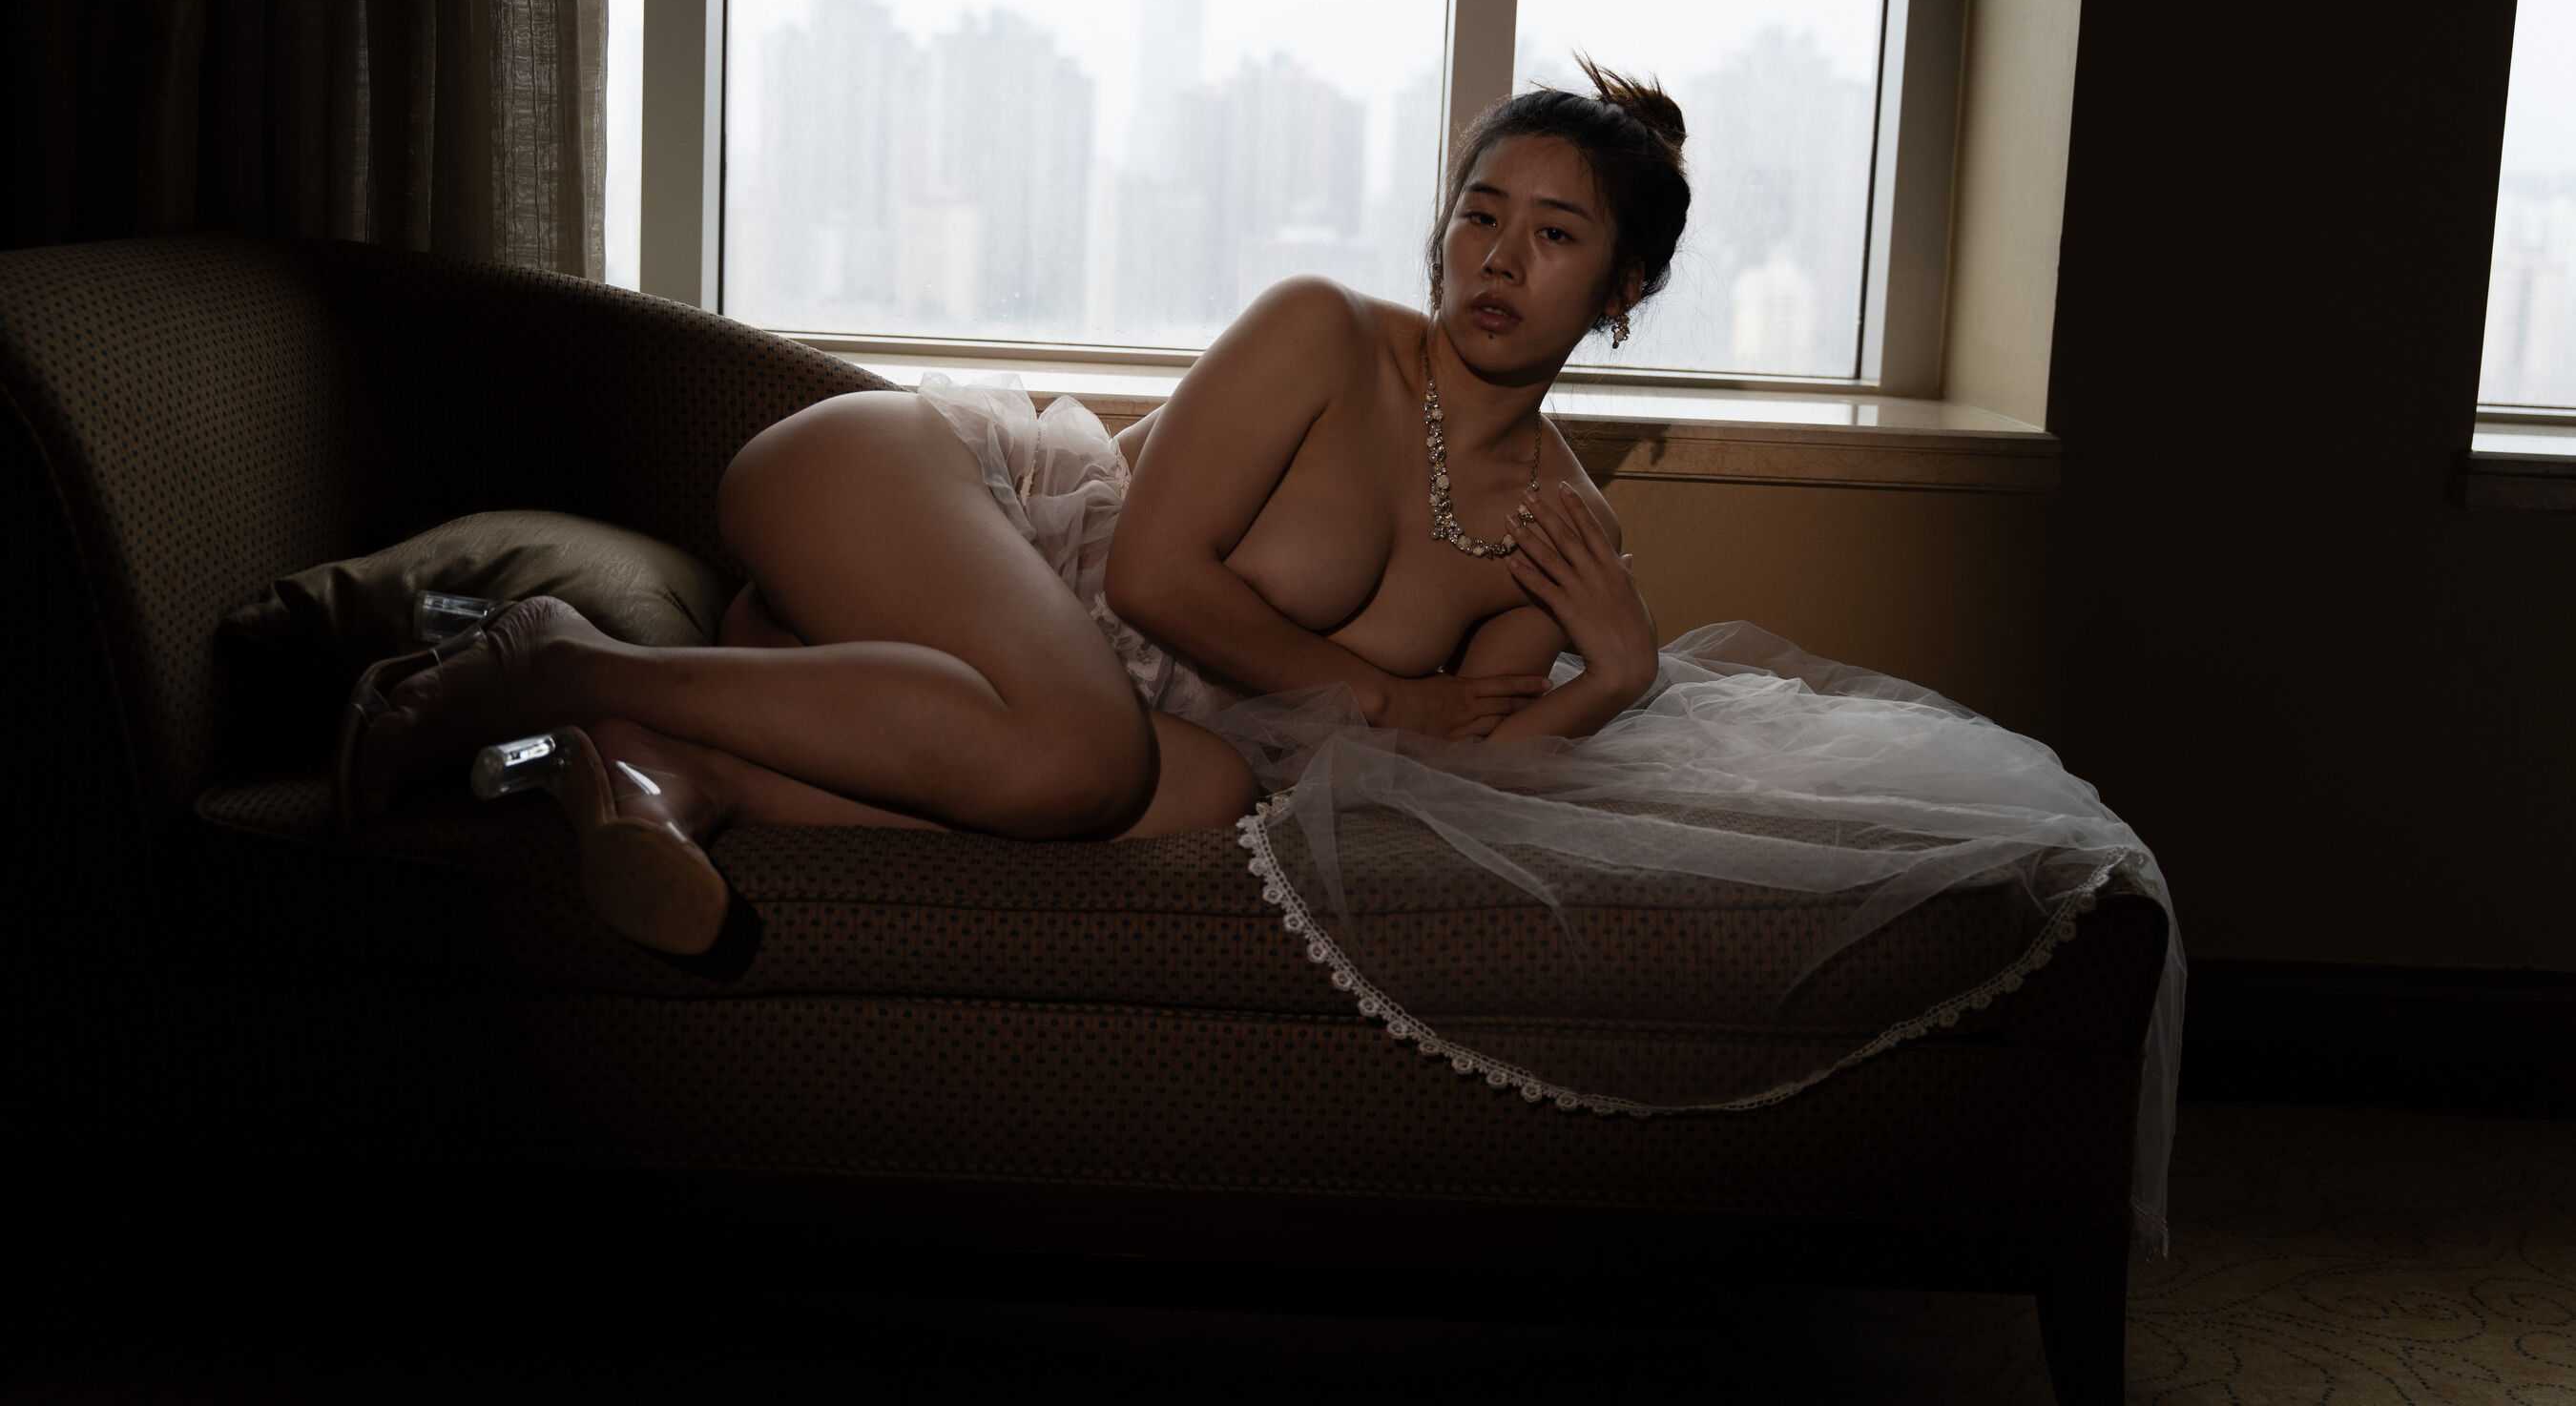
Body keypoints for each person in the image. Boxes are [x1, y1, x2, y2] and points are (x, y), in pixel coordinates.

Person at [340, 52, 1684, 957]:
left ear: (1622, 291)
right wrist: (1386, 692)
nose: (1498, 259)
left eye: (1556, 236)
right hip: (908, 491)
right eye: (1479, 215)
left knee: (1214, 788)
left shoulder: (1560, 531)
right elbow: (1151, 579)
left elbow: (1458, 780)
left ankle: (657, 761)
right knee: (1089, 757)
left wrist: (1616, 672)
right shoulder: (1324, 331)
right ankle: (558, 662)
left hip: (966, 691)